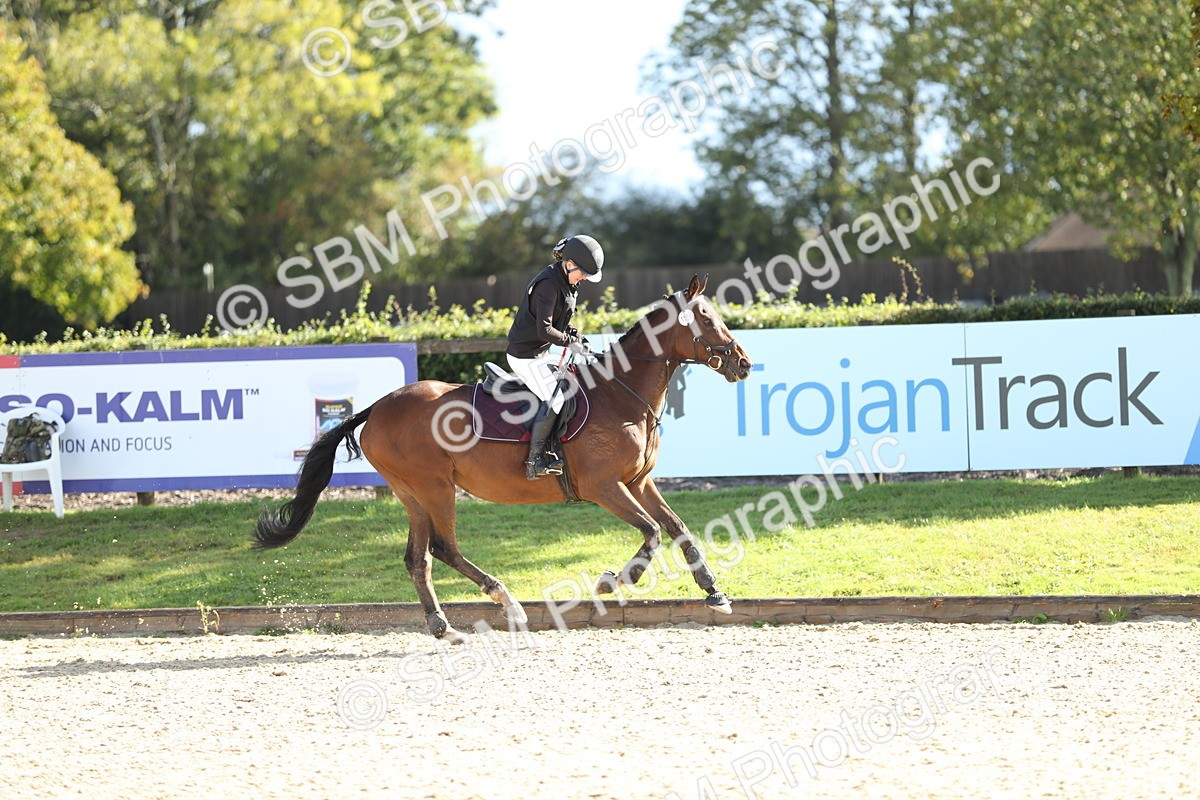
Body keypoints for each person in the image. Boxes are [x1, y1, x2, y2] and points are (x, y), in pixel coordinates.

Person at [505, 234, 604, 480]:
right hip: (525, 356)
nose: (584, 279)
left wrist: (576, 337)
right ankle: (535, 461)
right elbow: (545, 330)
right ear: (569, 263)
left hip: (540, 352)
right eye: (582, 273)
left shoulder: (568, 282)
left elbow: (561, 322)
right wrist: (571, 343)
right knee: (557, 400)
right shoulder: (548, 285)